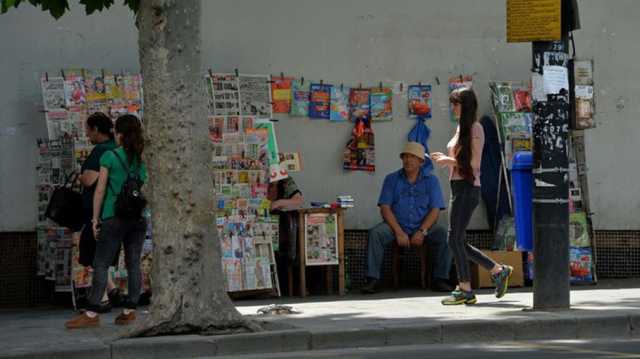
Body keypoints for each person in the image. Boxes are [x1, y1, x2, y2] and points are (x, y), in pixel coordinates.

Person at [431, 87, 513, 305]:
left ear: (465, 106)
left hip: (467, 188)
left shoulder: (475, 128)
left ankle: (465, 288)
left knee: (453, 238)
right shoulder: (462, 128)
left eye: (456, 104)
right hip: (458, 187)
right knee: (457, 240)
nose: (452, 108)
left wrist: (447, 161)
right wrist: (445, 157)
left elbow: (475, 164)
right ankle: (497, 270)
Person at [66, 114, 148, 329]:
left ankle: (92, 313)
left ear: (119, 134)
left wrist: (94, 219)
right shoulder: (142, 158)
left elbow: (100, 189)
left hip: (114, 217)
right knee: (133, 263)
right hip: (139, 218)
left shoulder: (110, 157)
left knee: (101, 262)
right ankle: (129, 311)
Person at [361, 142, 453, 294]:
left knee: (447, 235)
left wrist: (422, 231)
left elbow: (435, 210)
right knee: (375, 234)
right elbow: (385, 208)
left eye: (413, 157)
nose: (408, 160)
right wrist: (398, 231)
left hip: (423, 226)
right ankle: (373, 279)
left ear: (421, 162)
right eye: (405, 156)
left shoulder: (431, 181)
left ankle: (440, 279)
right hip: (396, 225)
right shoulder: (391, 179)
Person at [78, 112, 122, 312]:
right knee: (102, 253)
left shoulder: (101, 150)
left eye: (88, 130)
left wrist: (80, 175)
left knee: (93, 255)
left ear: (96, 129)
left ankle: (102, 299)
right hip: (115, 210)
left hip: (99, 211)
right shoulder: (118, 148)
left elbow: (89, 180)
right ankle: (112, 290)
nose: (87, 135)